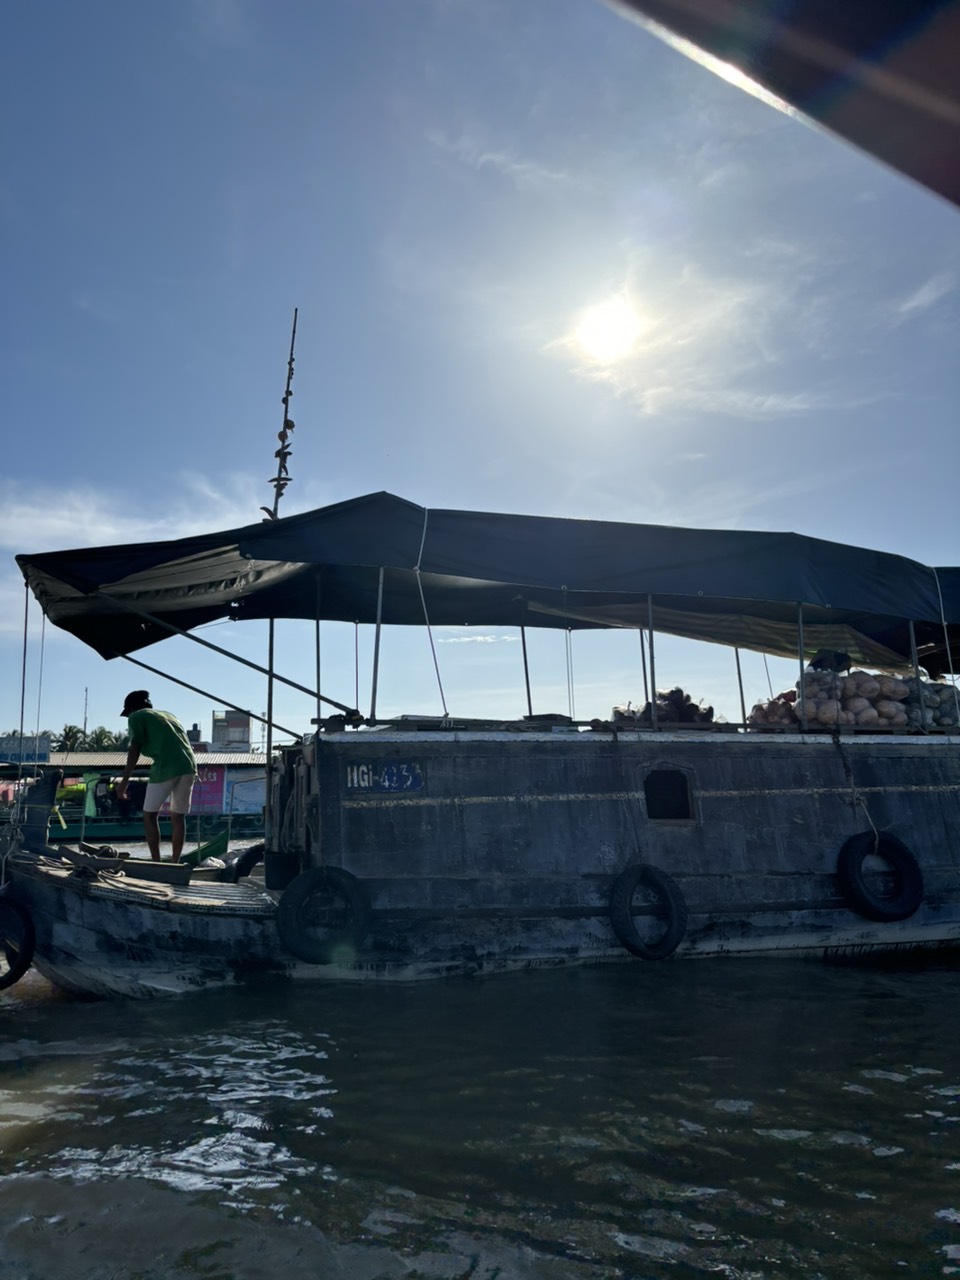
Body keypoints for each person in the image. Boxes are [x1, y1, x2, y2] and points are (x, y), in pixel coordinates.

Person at [115, 690, 197, 863]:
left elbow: (134, 749)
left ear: (131, 708)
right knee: (178, 816)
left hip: (166, 766)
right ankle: (175, 863)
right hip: (189, 765)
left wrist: (124, 781)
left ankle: (156, 863)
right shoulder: (169, 715)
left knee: (150, 815)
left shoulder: (136, 717)